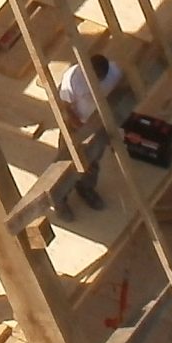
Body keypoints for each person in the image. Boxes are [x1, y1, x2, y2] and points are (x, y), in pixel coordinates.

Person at [54, 50, 121, 218]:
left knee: (92, 161)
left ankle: (86, 188)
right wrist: (77, 129)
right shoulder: (73, 79)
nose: (96, 81)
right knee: (67, 165)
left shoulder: (114, 73)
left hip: (98, 125)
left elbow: (118, 95)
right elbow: (64, 108)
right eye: (93, 77)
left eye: (99, 78)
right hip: (76, 126)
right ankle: (59, 199)